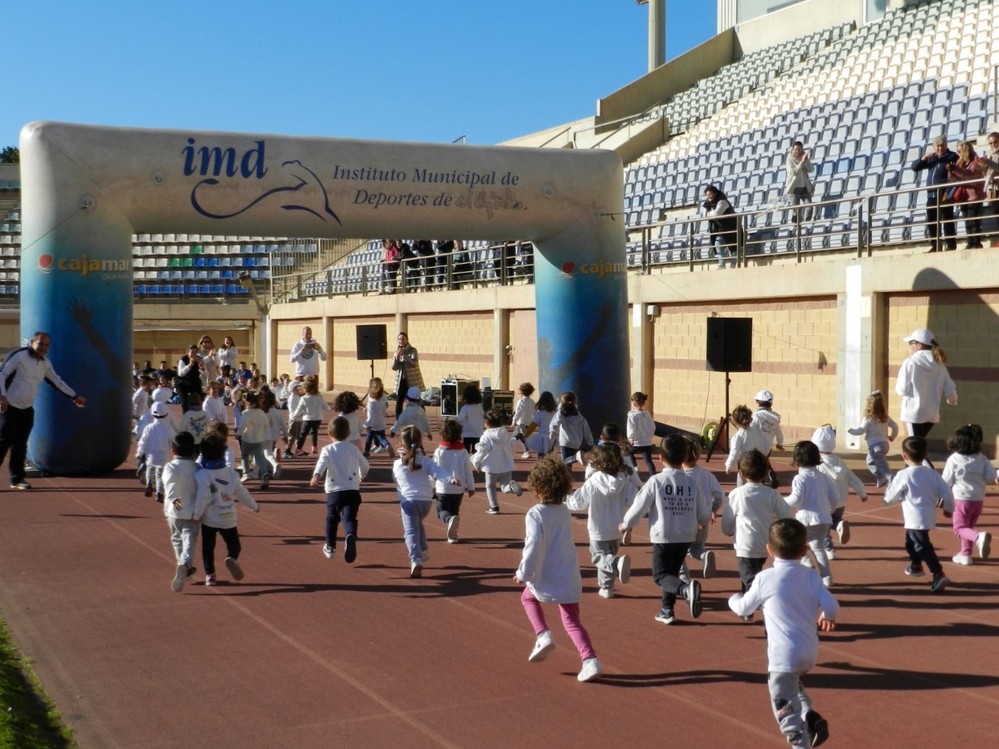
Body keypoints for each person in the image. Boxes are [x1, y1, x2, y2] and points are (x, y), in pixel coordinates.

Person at [727, 518, 838, 749]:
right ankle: (810, 717)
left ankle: (799, 742)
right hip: (809, 651)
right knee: (793, 686)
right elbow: (832, 604)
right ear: (805, 549)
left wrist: (733, 599)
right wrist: (827, 616)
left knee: (783, 705)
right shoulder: (810, 575)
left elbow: (744, 609)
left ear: (768, 550)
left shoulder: (765, 578)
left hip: (782, 657)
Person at [515, 455, 602, 683]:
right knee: (572, 620)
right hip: (568, 572)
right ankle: (589, 659)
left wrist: (524, 572)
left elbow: (533, 545)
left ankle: (543, 634)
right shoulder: (563, 510)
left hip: (547, 572)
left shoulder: (535, 514)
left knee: (528, 598)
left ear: (536, 486)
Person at [620, 434, 711, 625]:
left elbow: (640, 505)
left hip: (664, 535)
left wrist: (626, 523)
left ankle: (686, 590)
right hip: (686, 535)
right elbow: (703, 510)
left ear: (660, 458)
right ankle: (666, 609)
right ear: (685, 457)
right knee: (672, 572)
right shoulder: (692, 483)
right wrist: (702, 521)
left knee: (660, 575)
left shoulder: (656, 481)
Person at [0, 331, 86, 490]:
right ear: (32, 342)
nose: (43, 347)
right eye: (40, 344)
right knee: (3, 442)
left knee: (20, 445)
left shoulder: (45, 363)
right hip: (8, 407)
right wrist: (2, 397)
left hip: (26, 409)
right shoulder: (19, 355)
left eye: (46, 345)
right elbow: (2, 373)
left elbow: (56, 381)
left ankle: (17, 479)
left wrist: (74, 396)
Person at [883, 436, 953, 593]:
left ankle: (938, 572)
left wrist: (887, 498)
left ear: (904, 456)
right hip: (927, 515)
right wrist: (948, 507)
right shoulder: (932, 474)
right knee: (910, 542)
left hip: (914, 517)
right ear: (926, 454)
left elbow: (891, 496)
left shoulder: (903, 475)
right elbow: (946, 491)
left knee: (922, 546)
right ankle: (916, 565)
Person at [565, 444, 635, 599]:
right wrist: (630, 524)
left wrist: (567, 499)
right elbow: (635, 501)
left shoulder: (593, 481)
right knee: (607, 557)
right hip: (617, 529)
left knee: (598, 557)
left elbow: (579, 502)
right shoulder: (624, 481)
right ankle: (607, 587)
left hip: (598, 528)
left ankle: (616, 563)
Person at [721, 449, 792, 601]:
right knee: (752, 574)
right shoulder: (772, 494)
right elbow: (787, 515)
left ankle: (763, 604)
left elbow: (727, 521)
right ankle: (748, 609)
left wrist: (727, 530)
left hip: (745, 546)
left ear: (740, 472)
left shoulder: (737, 494)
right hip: (765, 544)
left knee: (750, 579)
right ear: (766, 471)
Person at [392, 426, 456, 578]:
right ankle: (424, 550)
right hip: (426, 502)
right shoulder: (425, 460)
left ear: (400, 444)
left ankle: (415, 559)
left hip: (408, 503)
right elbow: (438, 471)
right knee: (418, 524)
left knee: (410, 532)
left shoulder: (397, 464)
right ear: (420, 442)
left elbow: (397, 481)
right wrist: (451, 479)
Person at [199, 432, 259, 586]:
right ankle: (232, 557)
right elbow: (242, 493)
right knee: (234, 545)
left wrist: (195, 514)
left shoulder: (202, 474)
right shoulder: (232, 474)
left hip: (209, 519)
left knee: (208, 547)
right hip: (228, 516)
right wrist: (254, 506)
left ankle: (210, 575)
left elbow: (201, 498)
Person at [311, 416, 369, 563]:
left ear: (329, 434)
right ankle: (350, 534)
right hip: (352, 490)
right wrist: (362, 475)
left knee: (331, 518)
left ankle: (330, 546)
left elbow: (321, 464)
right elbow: (365, 465)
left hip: (334, 491)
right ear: (348, 433)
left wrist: (316, 476)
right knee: (349, 518)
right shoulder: (353, 449)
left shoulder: (327, 449)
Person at [162, 431, 214, 593]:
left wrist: (175, 502)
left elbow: (168, 488)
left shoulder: (170, 467)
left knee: (177, 539)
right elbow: (204, 491)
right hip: (192, 513)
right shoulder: (197, 468)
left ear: (172, 451)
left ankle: (183, 566)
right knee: (189, 542)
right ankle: (185, 564)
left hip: (173, 512)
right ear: (193, 450)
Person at [784, 440, 837, 588]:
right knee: (818, 547)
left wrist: (781, 501)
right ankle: (826, 577)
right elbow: (835, 498)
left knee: (795, 543)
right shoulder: (824, 477)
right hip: (824, 519)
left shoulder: (800, 478)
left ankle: (807, 564)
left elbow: (796, 498)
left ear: (797, 459)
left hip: (806, 519)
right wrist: (829, 511)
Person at [811, 425, 868, 560]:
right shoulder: (840, 462)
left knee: (822, 525)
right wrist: (862, 492)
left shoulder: (817, 465)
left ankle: (828, 548)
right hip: (841, 501)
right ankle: (839, 524)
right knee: (833, 519)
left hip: (825, 502)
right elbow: (852, 477)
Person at [942, 424, 995, 566]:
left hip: (960, 500)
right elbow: (991, 476)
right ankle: (965, 554)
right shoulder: (982, 458)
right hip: (978, 500)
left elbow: (946, 482)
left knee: (959, 529)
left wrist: (943, 500)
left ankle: (978, 537)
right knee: (968, 528)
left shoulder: (953, 459)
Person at [894, 328, 957, 442]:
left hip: (913, 414)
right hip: (931, 414)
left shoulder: (911, 362)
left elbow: (901, 389)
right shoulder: (940, 364)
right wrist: (952, 400)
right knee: (916, 448)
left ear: (919, 345)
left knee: (913, 449)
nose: (910, 346)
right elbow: (950, 388)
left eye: (911, 343)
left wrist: (912, 393)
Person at [682, 436, 724, 580]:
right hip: (703, 520)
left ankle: (684, 580)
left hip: (682, 520)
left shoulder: (678, 477)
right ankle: (704, 555)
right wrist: (713, 510)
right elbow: (719, 495)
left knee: (678, 551)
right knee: (695, 548)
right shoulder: (707, 475)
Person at [471, 409, 523, 515]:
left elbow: (482, 451)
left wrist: (476, 462)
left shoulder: (486, 437)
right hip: (506, 466)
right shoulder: (504, 434)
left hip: (491, 468)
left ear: (486, 423)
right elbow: (509, 444)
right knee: (504, 487)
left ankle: (494, 507)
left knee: (490, 487)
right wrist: (516, 438)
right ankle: (511, 487)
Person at [911, 136, 958, 252]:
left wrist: (948, 191)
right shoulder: (932, 158)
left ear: (946, 145)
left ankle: (951, 245)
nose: (940, 148)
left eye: (942, 145)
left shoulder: (952, 156)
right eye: (937, 146)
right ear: (934, 147)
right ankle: (936, 245)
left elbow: (955, 176)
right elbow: (914, 167)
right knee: (932, 221)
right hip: (931, 194)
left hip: (944, 193)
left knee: (947, 219)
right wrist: (923, 159)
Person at [433, 418, 476, 543]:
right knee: (454, 511)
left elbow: (434, 469)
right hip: (459, 489)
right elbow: (468, 471)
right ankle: (452, 535)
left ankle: (448, 520)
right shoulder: (463, 452)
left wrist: (430, 485)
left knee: (442, 511)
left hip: (443, 488)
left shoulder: (439, 451)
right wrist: (471, 487)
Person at [847, 390, 898, 487]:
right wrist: (892, 436)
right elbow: (895, 426)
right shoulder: (885, 416)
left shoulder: (868, 418)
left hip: (875, 447)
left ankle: (890, 479)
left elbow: (861, 430)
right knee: (870, 462)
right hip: (884, 445)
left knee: (882, 466)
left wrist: (851, 431)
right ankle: (881, 478)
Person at [947, 140, 986, 249]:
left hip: (974, 195)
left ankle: (976, 242)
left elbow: (970, 177)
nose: (958, 153)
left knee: (973, 219)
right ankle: (970, 242)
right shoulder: (960, 163)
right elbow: (953, 180)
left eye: (959, 151)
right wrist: (951, 171)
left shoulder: (975, 162)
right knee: (967, 220)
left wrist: (956, 170)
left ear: (965, 151)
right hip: (963, 196)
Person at [137, 401, 175, 501]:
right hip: (163, 456)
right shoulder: (169, 428)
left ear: (153, 414)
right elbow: (172, 442)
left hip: (151, 455)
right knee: (160, 475)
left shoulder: (149, 428)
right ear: (166, 414)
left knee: (149, 469)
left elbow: (143, 442)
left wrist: (139, 453)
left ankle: (149, 483)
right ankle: (159, 493)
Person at [725, 405, 771, 487]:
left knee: (741, 486)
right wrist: (764, 455)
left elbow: (734, 452)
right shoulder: (757, 431)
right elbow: (768, 443)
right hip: (759, 462)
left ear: (734, 421)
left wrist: (729, 465)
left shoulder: (738, 436)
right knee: (758, 484)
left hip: (745, 464)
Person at [549, 391, 594, 469]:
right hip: (576, 442)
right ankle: (570, 471)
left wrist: (552, 432)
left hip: (565, 442)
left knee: (565, 461)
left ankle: (575, 458)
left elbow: (555, 422)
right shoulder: (578, 415)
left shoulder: (561, 414)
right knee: (568, 463)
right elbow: (586, 428)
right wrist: (590, 441)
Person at [751, 389, 784, 488]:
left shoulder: (756, 416)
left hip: (757, 444)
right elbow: (778, 431)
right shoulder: (775, 418)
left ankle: (761, 480)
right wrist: (779, 442)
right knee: (764, 460)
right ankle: (770, 473)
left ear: (757, 402)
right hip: (768, 445)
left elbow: (751, 429)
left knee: (756, 462)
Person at [239, 391, 272, 489]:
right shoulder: (261, 412)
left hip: (247, 439)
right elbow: (266, 425)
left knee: (244, 456)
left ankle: (246, 473)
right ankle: (264, 475)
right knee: (260, 459)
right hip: (258, 439)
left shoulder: (246, 413)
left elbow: (242, 426)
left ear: (247, 402)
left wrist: (239, 434)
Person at [291, 376, 329, 456]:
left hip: (307, 419)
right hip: (318, 419)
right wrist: (329, 408)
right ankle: (314, 446)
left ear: (305, 388)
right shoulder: (319, 397)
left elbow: (299, 409)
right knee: (314, 432)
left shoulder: (304, 398)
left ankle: (299, 448)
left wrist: (295, 415)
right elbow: (326, 406)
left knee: (303, 434)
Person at [702, 184, 738, 269]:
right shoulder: (707, 203)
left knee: (733, 247)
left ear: (714, 193)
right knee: (718, 243)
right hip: (719, 229)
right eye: (707, 195)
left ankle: (733, 265)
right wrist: (711, 214)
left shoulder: (722, 201)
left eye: (710, 194)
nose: (709, 197)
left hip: (731, 227)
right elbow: (704, 215)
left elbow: (717, 214)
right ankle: (722, 264)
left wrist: (710, 214)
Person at [391, 332, 424, 419]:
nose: (401, 341)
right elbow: (394, 367)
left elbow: (414, 363)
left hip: (412, 380)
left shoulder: (412, 350)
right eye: (399, 339)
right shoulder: (396, 352)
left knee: (416, 399)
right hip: (401, 380)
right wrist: (396, 358)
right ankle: (398, 420)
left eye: (403, 339)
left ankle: (423, 417)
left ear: (407, 340)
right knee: (399, 401)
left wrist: (405, 356)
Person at [627, 391, 657, 476]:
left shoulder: (632, 416)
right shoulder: (647, 414)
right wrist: (649, 436)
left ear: (633, 403)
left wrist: (631, 438)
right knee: (648, 460)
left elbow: (631, 428)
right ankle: (653, 475)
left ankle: (635, 467)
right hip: (647, 442)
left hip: (637, 442)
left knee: (628, 453)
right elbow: (652, 426)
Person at [783, 140, 814, 222]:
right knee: (796, 211)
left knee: (809, 207)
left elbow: (811, 170)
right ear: (792, 149)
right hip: (794, 188)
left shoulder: (804, 157)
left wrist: (807, 161)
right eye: (796, 149)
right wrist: (801, 162)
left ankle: (807, 224)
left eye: (800, 149)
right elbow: (793, 172)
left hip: (804, 187)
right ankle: (796, 229)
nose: (798, 151)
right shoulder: (789, 159)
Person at [362, 377, 392, 457]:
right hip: (381, 423)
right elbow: (384, 408)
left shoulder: (371, 404)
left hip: (373, 425)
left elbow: (371, 417)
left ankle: (366, 451)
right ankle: (387, 446)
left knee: (368, 439)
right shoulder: (381, 402)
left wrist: (368, 425)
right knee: (381, 437)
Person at [523, 390, 556, 459]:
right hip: (553, 438)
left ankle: (541, 468)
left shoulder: (540, 414)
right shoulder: (556, 413)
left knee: (542, 456)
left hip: (543, 439)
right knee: (552, 456)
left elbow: (532, 426)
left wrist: (526, 435)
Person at [456, 383, 485, 453]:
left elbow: (460, 419)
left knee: (466, 453)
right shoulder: (479, 407)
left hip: (467, 434)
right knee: (477, 453)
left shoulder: (465, 408)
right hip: (478, 433)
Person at [175, 344, 205, 413]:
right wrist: (189, 365)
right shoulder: (182, 360)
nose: (193, 354)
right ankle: (186, 416)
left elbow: (205, 374)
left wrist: (202, 368)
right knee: (185, 402)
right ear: (188, 352)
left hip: (193, 381)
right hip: (182, 382)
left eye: (195, 352)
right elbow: (180, 374)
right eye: (192, 352)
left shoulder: (200, 359)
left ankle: (199, 415)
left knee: (200, 399)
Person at [511, 382, 537, 458]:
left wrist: (513, 421)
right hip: (528, 423)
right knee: (523, 438)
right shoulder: (532, 402)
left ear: (521, 392)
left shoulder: (521, 401)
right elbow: (534, 413)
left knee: (513, 438)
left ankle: (508, 450)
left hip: (520, 424)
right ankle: (526, 452)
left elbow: (518, 412)